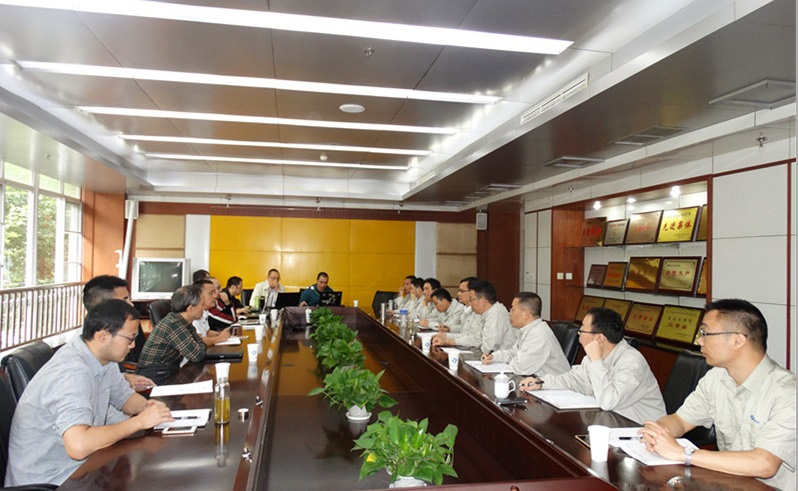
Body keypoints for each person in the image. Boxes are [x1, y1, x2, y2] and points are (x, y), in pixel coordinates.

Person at [4, 300, 173, 486]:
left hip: (81, 468)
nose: (132, 346)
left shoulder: (103, 357)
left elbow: (124, 397)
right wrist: (140, 421)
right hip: (53, 480)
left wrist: (149, 407)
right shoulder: (71, 373)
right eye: (130, 339)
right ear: (103, 336)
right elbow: (78, 446)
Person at [640, 299, 795, 490]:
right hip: (731, 484)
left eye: (705, 333)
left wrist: (683, 454)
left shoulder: (787, 392)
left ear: (738, 341)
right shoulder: (716, 377)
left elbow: (765, 464)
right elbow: (680, 421)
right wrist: (659, 433)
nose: (699, 341)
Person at [521, 307, 665, 424]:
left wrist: (596, 361)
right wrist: (541, 383)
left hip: (641, 432)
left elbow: (608, 402)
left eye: (583, 329)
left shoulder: (632, 362)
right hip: (610, 424)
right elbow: (573, 380)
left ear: (599, 338)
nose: (579, 333)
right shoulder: (591, 357)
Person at [82, 275, 153, 391]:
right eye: (125, 300)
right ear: (106, 306)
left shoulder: (125, 326)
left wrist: (124, 377)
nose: (131, 304)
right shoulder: (78, 366)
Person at [483, 292, 570, 377]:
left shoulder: (538, 334)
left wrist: (511, 360)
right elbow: (515, 353)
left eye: (513, 310)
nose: (510, 313)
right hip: (536, 380)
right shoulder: (529, 330)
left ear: (525, 314)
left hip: (553, 384)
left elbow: (520, 367)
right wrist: (494, 357)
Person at [136, 284, 209, 384]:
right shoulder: (173, 324)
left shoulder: (185, 323)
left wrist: (200, 346)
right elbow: (197, 355)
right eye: (202, 305)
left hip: (167, 371)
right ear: (191, 308)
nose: (204, 309)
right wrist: (200, 346)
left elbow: (201, 346)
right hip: (153, 376)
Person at [432, 277, 484, 348]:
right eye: (459, 291)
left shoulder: (480, 311)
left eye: (462, 291)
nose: (458, 294)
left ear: (473, 292)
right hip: (467, 346)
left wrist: (448, 340)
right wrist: (447, 333)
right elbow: (463, 331)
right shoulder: (466, 309)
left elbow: (476, 339)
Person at [192, 279, 232, 345]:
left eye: (214, 292)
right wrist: (220, 338)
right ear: (199, 295)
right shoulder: (194, 314)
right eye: (211, 293)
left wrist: (220, 334)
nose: (215, 296)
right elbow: (198, 341)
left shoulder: (205, 311)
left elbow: (206, 332)